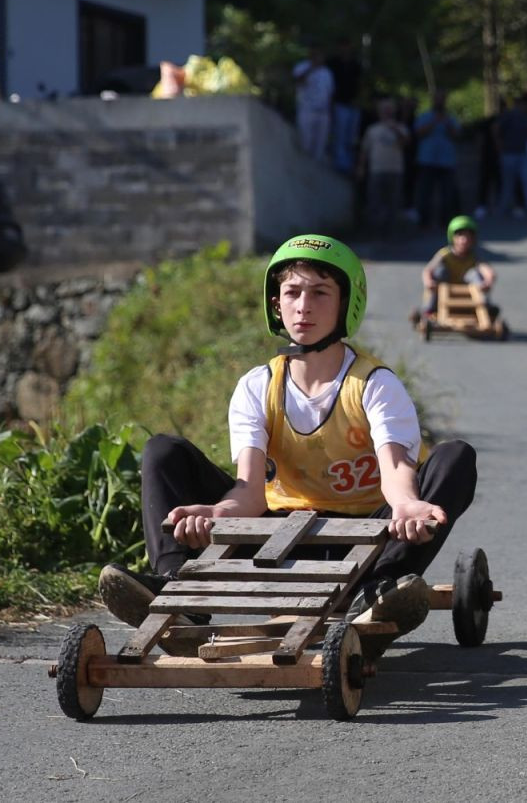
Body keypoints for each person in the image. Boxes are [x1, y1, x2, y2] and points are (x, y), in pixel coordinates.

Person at [98, 235, 478, 658]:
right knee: (162, 451)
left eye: (320, 293)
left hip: (369, 539)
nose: (303, 306)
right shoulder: (258, 386)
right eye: (292, 292)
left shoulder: (375, 384)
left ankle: (380, 591)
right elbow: (248, 491)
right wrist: (215, 514)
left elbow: (395, 470)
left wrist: (408, 505)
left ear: (345, 304)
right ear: (276, 304)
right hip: (279, 537)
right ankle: (178, 590)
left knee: (455, 457)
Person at [410, 215, 497, 323]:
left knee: (475, 274)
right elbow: (428, 270)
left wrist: (488, 282)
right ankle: (428, 310)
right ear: (452, 237)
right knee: (440, 271)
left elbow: (487, 270)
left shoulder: (474, 256)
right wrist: (429, 282)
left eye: (468, 237)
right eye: (460, 236)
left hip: (466, 293)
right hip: (443, 290)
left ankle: (485, 307)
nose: (464, 240)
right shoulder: (445, 254)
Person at [358, 97, 409, 241]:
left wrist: (395, 129)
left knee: (393, 203)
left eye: (389, 109)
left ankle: (391, 234)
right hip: (376, 169)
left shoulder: (400, 128)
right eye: (384, 109)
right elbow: (364, 150)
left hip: (396, 170)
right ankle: (373, 233)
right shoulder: (372, 129)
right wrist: (361, 167)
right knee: (374, 202)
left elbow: (406, 143)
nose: (386, 112)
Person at [413, 89, 462, 230]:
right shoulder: (425, 117)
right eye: (437, 99)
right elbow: (418, 133)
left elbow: (457, 135)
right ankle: (424, 222)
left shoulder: (450, 118)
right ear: (433, 101)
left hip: (447, 161)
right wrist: (434, 122)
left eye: (442, 99)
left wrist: (446, 123)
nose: (439, 102)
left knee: (447, 193)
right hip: (427, 160)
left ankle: (445, 222)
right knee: (425, 193)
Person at [496, 92, 527, 218]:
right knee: (508, 184)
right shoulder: (510, 115)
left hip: (523, 155)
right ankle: (504, 209)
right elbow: (495, 128)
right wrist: (499, 147)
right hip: (508, 154)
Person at [326, 38, 363, 173]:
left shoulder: (356, 65)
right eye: (343, 46)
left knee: (351, 136)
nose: (345, 49)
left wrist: (358, 100)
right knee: (340, 133)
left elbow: (360, 84)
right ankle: (340, 164)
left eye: (347, 46)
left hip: (352, 104)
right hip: (339, 103)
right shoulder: (332, 63)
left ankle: (348, 163)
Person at [293, 46, 334, 160]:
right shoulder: (302, 67)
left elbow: (330, 93)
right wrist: (311, 68)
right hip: (307, 110)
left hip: (323, 112)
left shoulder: (327, 72)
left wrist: (330, 112)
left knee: (320, 144)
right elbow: (298, 80)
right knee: (306, 140)